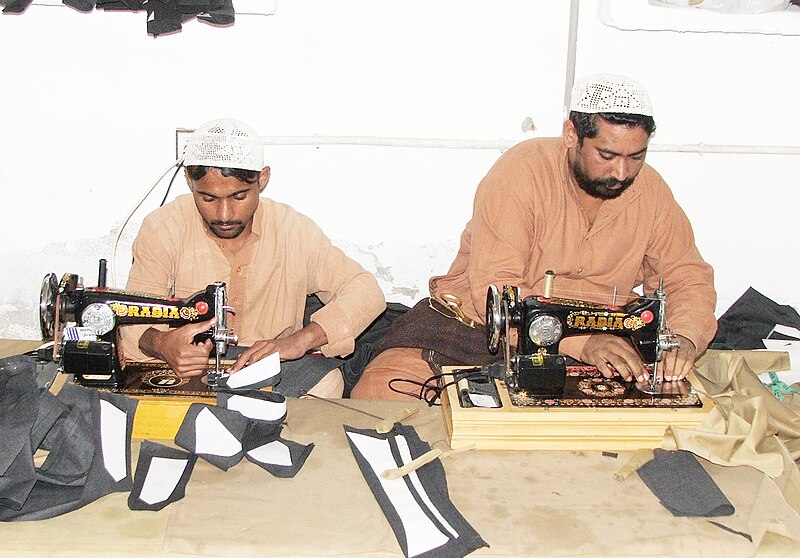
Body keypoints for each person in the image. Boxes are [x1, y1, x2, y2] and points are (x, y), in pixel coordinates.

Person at [352, 73, 717, 400]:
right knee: (380, 398)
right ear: (572, 135)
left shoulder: (651, 192)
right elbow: (496, 289)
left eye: (636, 157)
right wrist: (580, 342)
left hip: (601, 338)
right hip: (482, 327)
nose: (621, 172)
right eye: (607, 155)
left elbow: (687, 277)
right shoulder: (521, 173)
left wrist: (682, 337)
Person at [120, 117, 386, 398]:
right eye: (208, 199)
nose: (224, 215)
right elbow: (134, 318)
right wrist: (163, 343)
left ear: (262, 179)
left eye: (239, 196)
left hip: (267, 361)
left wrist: (300, 341)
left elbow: (366, 292)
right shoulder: (163, 229)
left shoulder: (292, 229)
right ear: (189, 181)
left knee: (327, 383)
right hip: (186, 365)